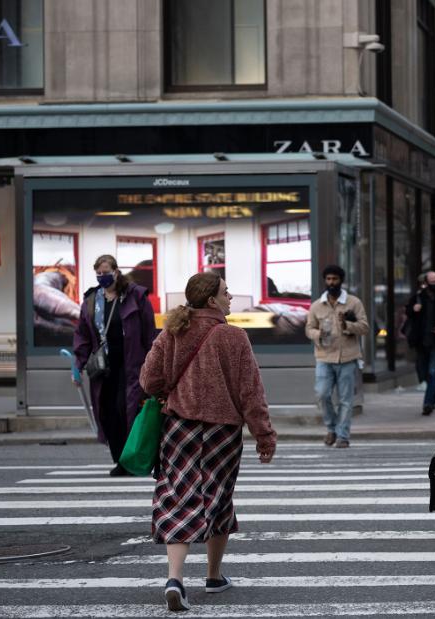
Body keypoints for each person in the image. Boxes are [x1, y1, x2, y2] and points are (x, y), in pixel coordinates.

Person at [139, 272, 277, 612]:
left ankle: (175, 578)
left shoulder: (172, 331)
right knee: (218, 496)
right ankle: (213, 576)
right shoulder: (234, 338)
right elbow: (250, 393)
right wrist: (264, 434)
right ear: (212, 300)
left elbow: (148, 380)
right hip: (222, 432)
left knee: (177, 494)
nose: (230, 297)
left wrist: (168, 392)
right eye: (226, 293)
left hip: (178, 428)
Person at [72, 255, 157, 476]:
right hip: (103, 369)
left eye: (105, 272)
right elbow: (82, 336)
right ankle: (119, 459)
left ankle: (129, 461)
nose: (102, 277)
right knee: (107, 414)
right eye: (98, 273)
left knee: (127, 411)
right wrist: (77, 365)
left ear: (116, 271)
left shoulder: (135, 296)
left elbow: (149, 332)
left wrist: (155, 363)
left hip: (132, 366)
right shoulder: (92, 300)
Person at [305, 265, 370, 449]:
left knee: (345, 399)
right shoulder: (317, 305)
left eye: (335, 279)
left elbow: (365, 327)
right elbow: (308, 328)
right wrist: (318, 334)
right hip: (324, 357)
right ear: (325, 281)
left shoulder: (353, 302)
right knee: (322, 394)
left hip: (348, 357)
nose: (331, 282)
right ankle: (331, 428)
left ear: (341, 280)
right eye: (328, 279)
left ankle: (342, 435)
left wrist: (347, 324)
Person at [406, 271, 435, 414]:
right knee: (423, 374)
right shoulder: (419, 296)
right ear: (426, 282)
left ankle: (428, 403)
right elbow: (408, 313)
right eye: (433, 282)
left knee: (432, 373)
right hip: (421, 342)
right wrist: (413, 309)